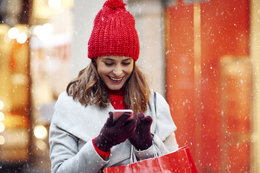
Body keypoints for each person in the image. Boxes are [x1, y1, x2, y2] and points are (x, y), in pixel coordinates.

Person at [49, 0, 179, 172]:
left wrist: (147, 147)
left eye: (126, 63)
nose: (118, 72)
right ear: (94, 61)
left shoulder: (154, 103)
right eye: (109, 63)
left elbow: (174, 168)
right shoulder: (69, 104)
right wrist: (101, 144)